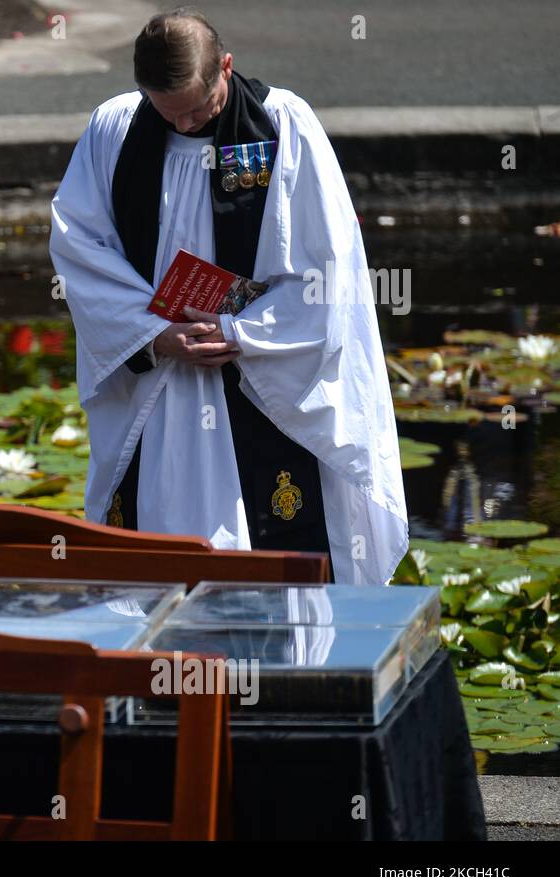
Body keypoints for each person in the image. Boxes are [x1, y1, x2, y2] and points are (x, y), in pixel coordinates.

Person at [48, 8, 407, 585]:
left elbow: (329, 266)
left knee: (271, 546)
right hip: (161, 381)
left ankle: (279, 671)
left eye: (198, 108)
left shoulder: (284, 125)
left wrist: (244, 333)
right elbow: (78, 245)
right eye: (170, 114)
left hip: (262, 380)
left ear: (227, 67)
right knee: (166, 546)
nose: (186, 126)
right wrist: (151, 333)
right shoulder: (116, 128)